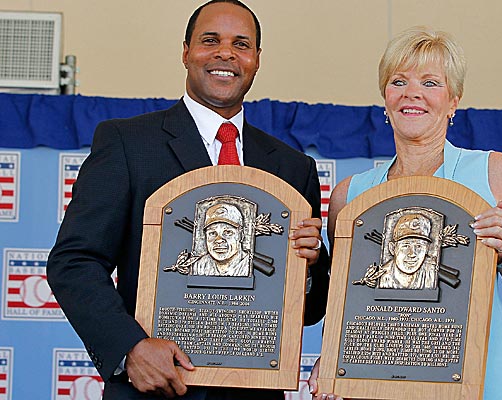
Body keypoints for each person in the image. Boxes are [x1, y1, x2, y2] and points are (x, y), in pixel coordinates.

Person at [46, 1, 330, 399]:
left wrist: (310, 265)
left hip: (254, 391)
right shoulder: (127, 143)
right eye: (210, 40)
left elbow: (312, 308)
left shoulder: (292, 168)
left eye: (241, 44)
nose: (225, 53)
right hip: (155, 389)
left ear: (257, 59)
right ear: (185, 51)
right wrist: (130, 348)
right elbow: (74, 262)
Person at [309, 26, 502, 400]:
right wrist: (331, 358)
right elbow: (345, 301)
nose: (413, 94)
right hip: (377, 380)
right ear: (385, 98)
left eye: (430, 83)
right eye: (399, 81)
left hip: (478, 377)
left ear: (454, 101)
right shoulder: (350, 195)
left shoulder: (494, 171)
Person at [192, 203, 251, 277]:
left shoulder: (249, 265)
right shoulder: (199, 266)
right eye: (212, 233)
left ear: (241, 235)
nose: (219, 240)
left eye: (228, 232)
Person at [378, 213, 434, 290]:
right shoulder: (380, 276)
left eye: (418, 246)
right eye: (405, 246)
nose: (412, 254)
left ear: (427, 249)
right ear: (392, 248)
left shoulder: (431, 274)